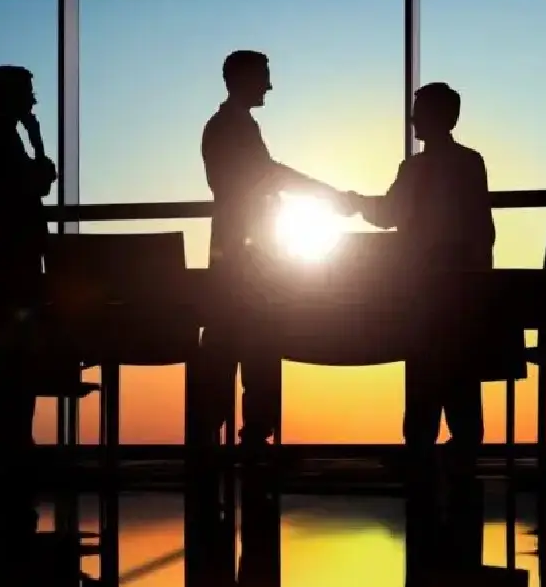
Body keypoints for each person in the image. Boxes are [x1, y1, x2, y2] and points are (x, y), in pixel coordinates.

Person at [196, 50, 341, 450]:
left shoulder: (224, 126)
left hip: (237, 248)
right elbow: (268, 175)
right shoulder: (235, 127)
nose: (270, 86)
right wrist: (329, 195)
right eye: (264, 77)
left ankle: (223, 435)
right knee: (255, 341)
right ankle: (253, 436)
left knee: (232, 341)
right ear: (244, 79)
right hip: (249, 256)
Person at [353, 82, 494, 455]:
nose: (412, 118)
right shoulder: (470, 163)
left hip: (423, 289)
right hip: (462, 286)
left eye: (418, 111)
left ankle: (421, 452)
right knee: (460, 373)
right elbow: (484, 228)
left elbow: (388, 213)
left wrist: (352, 203)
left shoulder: (415, 168)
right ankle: (463, 451)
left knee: (423, 373)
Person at [0, 65, 60, 452]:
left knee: (8, 351)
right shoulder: (2, 144)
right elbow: (38, 183)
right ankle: (12, 439)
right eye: (28, 93)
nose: (34, 100)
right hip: (14, 258)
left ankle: (9, 439)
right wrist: (38, 145)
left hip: (9, 255)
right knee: (13, 353)